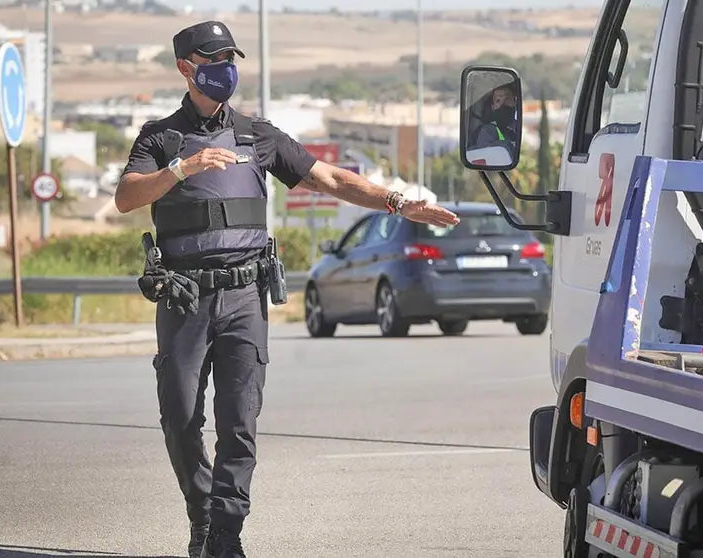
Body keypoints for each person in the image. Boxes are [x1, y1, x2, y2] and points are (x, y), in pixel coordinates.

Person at [114, 20, 460, 558]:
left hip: (245, 298)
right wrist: (182, 169)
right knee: (180, 418)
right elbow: (127, 197)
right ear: (186, 68)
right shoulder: (160, 138)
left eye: (231, 56)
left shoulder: (259, 136)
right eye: (213, 57)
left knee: (240, 425)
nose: (225, 66)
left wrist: (397, 202)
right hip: (185, 296)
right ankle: (202, 515)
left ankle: (224, 539)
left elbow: (333, 179)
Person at [472, 84, 519, 150]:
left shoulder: (520, 127)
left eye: (507, 99)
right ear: (492, 107)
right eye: (498, 100)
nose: (503, 103)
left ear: (515, 102)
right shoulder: (488, 131)